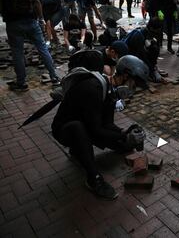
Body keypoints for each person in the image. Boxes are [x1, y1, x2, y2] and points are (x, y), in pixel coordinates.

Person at [52, 55, 149, 200]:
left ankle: (79, 149)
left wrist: (125, 133)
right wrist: (123, 136)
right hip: (65, 130)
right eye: (133, 85)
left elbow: (107, 124)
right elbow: (96, 130)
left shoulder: (109, 91)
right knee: (78, 128)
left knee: (122, 144)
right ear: (125, 76)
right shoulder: (94, 87)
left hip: (87, 124)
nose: (132, 91)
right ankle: (94, 179)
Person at [0, 0, 60, 91]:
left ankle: (21, 83)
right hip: (32, 20)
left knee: (17, 52)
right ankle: (54, 77)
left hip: (13, 22)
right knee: (43, 48)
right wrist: (41, 19)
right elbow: (37, 2)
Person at [123, 18, 163, 82]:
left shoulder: (147, 33)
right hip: (129, 58)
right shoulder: (139, 36)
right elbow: (142, 56)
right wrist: (151, 70)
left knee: (154, 47)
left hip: (137, 55)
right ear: (151, 28)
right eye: (156, 31)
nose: (157, 34)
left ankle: (152, 69)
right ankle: (149, 72)